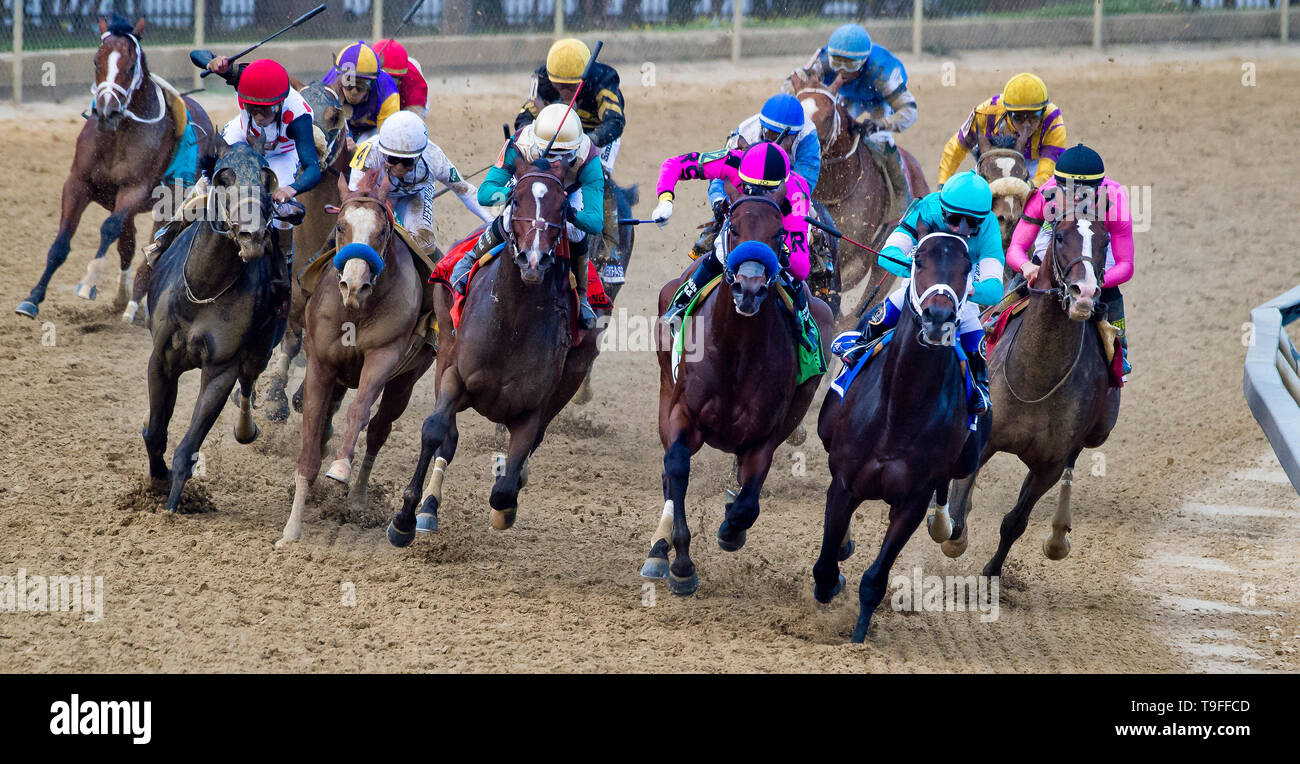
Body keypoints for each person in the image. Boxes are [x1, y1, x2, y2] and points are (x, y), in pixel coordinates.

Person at [143, 57, 321, 306]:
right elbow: (197, 54)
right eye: (253, 109)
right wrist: (214, 63)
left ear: (280, 103)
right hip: (242, 137)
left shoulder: (298, 116)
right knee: (204, 187)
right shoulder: (245, 81)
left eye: (267, 110)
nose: (259, 116)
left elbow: (313, 168)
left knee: (280, 215)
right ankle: (164, 240)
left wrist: (291, 189)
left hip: (281, 152)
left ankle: (283, 270)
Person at [833, 171, 1004, 414]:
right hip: (923, 284)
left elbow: (995, 288)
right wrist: (923, 272)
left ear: (982, 220)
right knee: (898, 300)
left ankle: (980, 388)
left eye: (972, 224)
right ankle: (858, 348)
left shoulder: (990, 227)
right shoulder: (927, 208)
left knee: (971, 326)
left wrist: (965, 287)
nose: (961, 229)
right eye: (954, 219)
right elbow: (888, 253)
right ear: (943, 211)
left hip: (959, 288)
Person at [449, 104, 603, 329]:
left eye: (565, 156)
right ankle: (469, 260)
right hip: (528, 187)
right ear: (537, 146)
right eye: (550, 155)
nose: (557, 164)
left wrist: (569, 214)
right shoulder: (519, 144)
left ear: (576, 150)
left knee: (575, 231)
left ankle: (583, 294)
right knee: (508, 215)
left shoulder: (589, 157)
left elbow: (596, 221)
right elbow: (485, 193)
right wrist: (508, 194)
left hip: (566, 194)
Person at [653, 142, 817, 352]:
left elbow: (801, 268)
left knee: (791, 275)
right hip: (738, 227)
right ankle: (681, 305)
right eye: (749, 188)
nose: (757, 195)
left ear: (781, 185)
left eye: (767, 192)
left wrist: (778, 250)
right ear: (741, 172)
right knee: (721, 251)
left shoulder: (796, 192)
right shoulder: (731, 160)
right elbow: (674, 164)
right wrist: (665, 199)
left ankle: (804, 323)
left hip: (775, 235)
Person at [1005, 144, 1134, 374]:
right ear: (1058, 185)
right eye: (1070, 189)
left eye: (1086, 190)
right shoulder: (1045, 195)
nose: (1077, 196)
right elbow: (1017, 246)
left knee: (1111, 294)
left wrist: (1096, 281)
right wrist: (1026, 266)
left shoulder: (1115, 200)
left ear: (1099, 187)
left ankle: (1120, 349)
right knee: (1019, 284)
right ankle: (993, 325)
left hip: (1094, 247)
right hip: (1055, 237)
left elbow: (1126, 265)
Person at [515, 38, 625, 268]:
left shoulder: (605, 79)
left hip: (595, 136)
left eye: (570, 87)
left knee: (599, 175)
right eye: (559, 86)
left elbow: (615, 122)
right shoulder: (541, 78)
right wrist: (528, 137)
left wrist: (586, 142)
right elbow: (524, 118)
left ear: (583, 79)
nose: (564, 91)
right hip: (552, 136)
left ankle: (610, 246)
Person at [783, 23, 917, 208]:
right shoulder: (822, 60)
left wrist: (879, 124)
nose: (841, 71)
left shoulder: (883, 72)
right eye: (836, 62)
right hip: (848, 96)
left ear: (864, 62)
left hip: (879, 100)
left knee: (879, 139)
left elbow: (909, 111)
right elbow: (792, 85)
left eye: (849, 64)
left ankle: (902, 196)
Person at [692, 93, 821, 259]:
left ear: (795, 134)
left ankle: (822, 260)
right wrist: (718, 201)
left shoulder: (808, 137)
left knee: (815, 230)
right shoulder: (745, 132)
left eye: (784, 139)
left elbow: (804, 183)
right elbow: (721, 176)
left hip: (786, 189)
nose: (777, 143)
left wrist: (775, 203)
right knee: (711, 235)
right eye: (771, 134)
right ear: (762, 128)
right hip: (747, 189)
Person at [348, 111, 492, 253]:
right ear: (382, 152)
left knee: (424, 242)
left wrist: (494, 222)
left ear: (419, 156)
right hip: (376, 196)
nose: (399, 167)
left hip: (414, 196)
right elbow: (354, 199)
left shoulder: (435, 159)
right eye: (392, 159)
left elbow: (465, 191)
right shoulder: (369, 153)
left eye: (407, 161)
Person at [937, 72, 1066, 192]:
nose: (1027, 124)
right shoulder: (986, 113)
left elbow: (1046, 173)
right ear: (1007, 112)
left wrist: (1023, 188)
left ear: (1044, 111)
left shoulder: (1053, 120)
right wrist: (942, 186)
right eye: (1018, 117)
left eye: (1034, 116)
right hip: (993, 162)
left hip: (1035, 163)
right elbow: (955, 149)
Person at [321, 41, 402, 146]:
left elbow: (389, 140)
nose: (354, 91)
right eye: (349, 82)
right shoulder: (329, 85)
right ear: (339, 78)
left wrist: (359, 150)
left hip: (373, 130)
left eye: (361, 85)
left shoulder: (387, 91)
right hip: (343, 126)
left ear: (373, 82)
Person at [372, 38, 429, 118]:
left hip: (407, 101)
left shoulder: (415, 84)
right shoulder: (361, 70)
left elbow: (411, 124)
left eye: (393, 79)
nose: (397, 83)